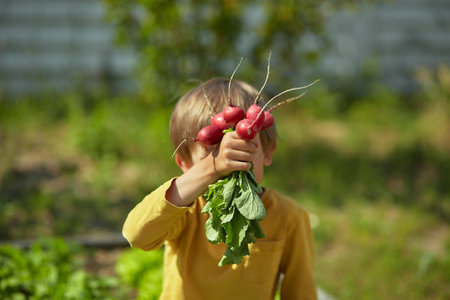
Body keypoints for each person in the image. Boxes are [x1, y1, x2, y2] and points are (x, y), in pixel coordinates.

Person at [122, 77, 317, 300]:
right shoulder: (186, 210)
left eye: (243, 148)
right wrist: (211, 168)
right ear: (185, 163)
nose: (228, 163)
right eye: (213, 151)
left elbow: (302, 294)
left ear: (268, 151)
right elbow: (136, 235)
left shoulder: (288, 217)